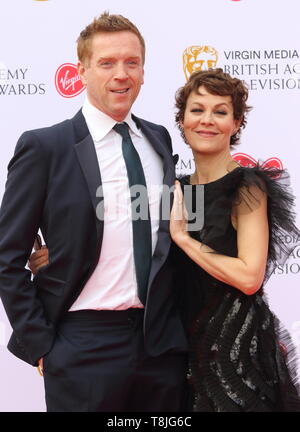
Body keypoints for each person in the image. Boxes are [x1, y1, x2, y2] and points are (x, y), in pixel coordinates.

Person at [0, 12, 188, 412]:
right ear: (81, 71)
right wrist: (42, 345)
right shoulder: (46, 147)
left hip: (160, 346)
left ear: (143, 69)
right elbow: (6, 256)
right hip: (81, 345)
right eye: (107, 63)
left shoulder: (157, 138)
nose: (122, 74)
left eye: (131, 62)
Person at [169, 68, 300, 411]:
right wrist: (57, 256)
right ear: (182, 120)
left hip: (234, 357)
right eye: (197, 110)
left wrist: (183, 238)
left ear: (237, 123)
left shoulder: (246, 186)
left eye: (220, 111)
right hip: (177, 353)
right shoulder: (175, 189)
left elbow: (249, 276)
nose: (207, 120)